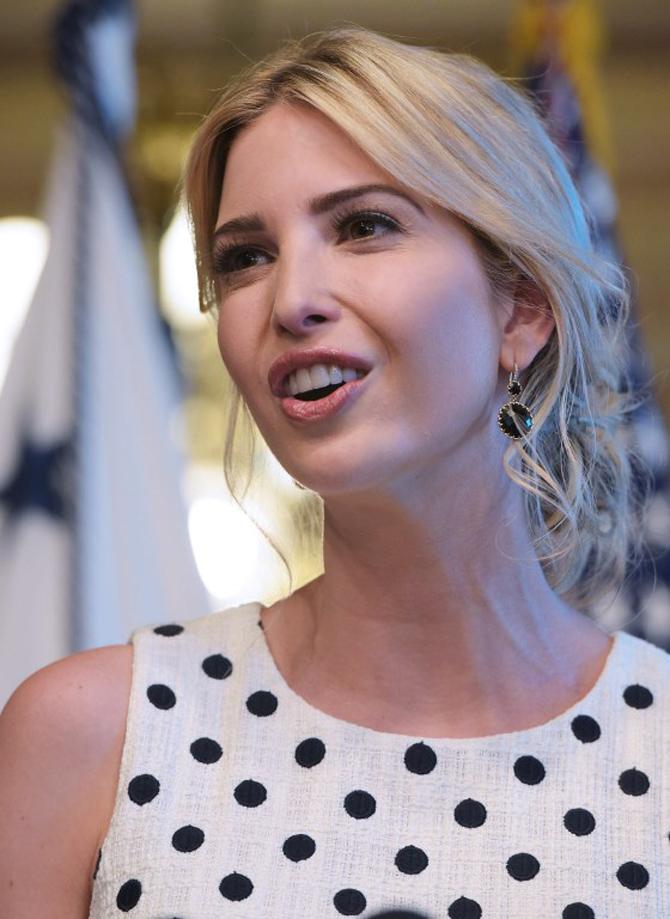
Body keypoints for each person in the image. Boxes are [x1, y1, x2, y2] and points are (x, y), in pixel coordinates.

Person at [1, 25, 668, 919]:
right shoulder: (92, 737)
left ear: (522, 310)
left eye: (364, 226)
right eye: (245, 256)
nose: (291, 299)